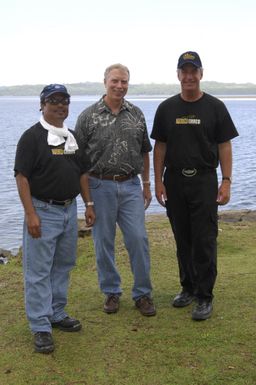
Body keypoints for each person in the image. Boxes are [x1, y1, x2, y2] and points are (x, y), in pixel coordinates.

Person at [151, 51, 238, 320]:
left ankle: (204, 296)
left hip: (204, 180)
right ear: (178, 75)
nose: (189, 76)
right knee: (183, 238)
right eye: (184, 71)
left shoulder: (215, 107)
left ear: (201, 74)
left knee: (204, 239)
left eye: (193, 71)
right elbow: (160, 146)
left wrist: (226, 181)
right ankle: (187, 287)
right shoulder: (166, 108)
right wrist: (157, 181)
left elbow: (224, 145)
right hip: (175, 181)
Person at [14, 84, 95, 353]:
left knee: (63, 265)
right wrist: (30, 214)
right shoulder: (32, 138)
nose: (60, 105)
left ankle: (56, 313)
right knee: (38, 271)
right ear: (42, 105)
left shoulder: (71, 138)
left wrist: (89, 204)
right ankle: (40, 325)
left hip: (69, 210)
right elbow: (22, 176)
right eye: (53, 101)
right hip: (43, 211)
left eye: (64, 101)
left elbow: (82, 173)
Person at [75, 63, 156, 317]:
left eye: (124, 82)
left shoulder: (137, 114)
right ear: (105, 82)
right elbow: (78, 161)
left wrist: (146, 184)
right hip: (99, 186)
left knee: (138, 240)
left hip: (131, 184)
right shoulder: (88, 116)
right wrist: (87, 201)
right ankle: (111, 291)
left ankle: (142, 294)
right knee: (103, 243)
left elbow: (145, 151)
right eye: (115, 81)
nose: (119, 86)